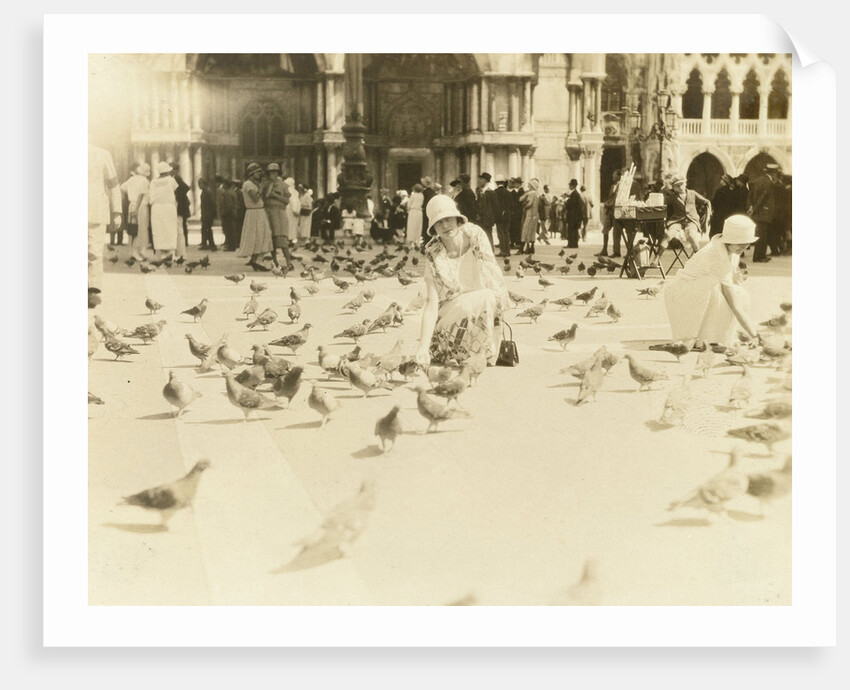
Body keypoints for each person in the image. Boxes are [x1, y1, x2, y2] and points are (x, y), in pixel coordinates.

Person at [415, 194, 510, 368]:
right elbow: (431, 305)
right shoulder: (433, 253)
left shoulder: (475, 235)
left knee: (489, 296)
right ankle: (457, 353)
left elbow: (495, 280)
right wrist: (422, 347)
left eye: (448, 219)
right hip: (452, 317)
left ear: (458, 219)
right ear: (433, 227)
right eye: (438, 222)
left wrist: (498, 324)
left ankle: (481, 352)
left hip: (482, 311)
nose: (445, 225)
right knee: (471, 303)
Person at [664, 214, 760, 345]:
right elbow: (734, 304)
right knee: (717, 290)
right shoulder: (717, 257)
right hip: (681, 293)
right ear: (729, 240)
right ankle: (702, 337)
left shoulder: (731, 251)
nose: (744, 246)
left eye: (746, 242)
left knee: (738, 292)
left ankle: (712, 336)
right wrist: (754, 334)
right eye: (739, 242)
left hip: (695, 289)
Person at [88, 144, 122, 306]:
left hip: (95, 210)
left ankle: (92, 291)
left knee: (94, 252)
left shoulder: (101, 154)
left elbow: (113, 185)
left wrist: (117, 211)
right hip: (94, 209)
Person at [658, 175, 710, 261]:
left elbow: (707, 202)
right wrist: (666, 190)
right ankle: (657, 258)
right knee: (668, 235)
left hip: (691, 221)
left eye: (682, 184)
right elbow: (660, 201)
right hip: (676, 221)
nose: (680, 187)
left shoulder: (692, 193)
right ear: (673, 187)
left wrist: (706, 217)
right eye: (677, 186)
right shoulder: (672, 196)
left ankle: (700, 260)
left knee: (691, 235)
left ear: (685, 183)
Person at [237, 162, 274, 271]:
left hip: (258, 212)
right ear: (252, 173)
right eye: (257, 172)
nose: (259, 174)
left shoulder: (254, 184)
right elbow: (255, 198)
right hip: (254, 213)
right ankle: (257, 261)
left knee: (262, 236)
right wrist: (261, 187)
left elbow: (264, 196)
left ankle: (256, 260)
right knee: (259, 236)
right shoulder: (248, 184)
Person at [148, 161, 183, 261]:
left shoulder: (153, 182)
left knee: (159, 230)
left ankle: (162, 254)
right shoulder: (171, 180)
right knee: (170, 229)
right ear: (167, 171)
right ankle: (170, 254)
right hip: (168, 207)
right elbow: (176, 191)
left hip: (156, 209)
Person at [263, 163, 294, 269]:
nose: (273, 174)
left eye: (275, 172)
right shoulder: (266, 185)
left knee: (282, 237)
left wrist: (275, 195)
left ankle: (288, 261)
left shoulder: (283, 185)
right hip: (269, 213)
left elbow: (286, 200)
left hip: (280, 213)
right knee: (272, 239)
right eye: (271, 173)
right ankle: (275, 261)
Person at [748, 163, 780, 262]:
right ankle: (759, 257)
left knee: (762, 235)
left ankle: (760, 256)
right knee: (762, 236)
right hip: (763, 212)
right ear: (774, 173)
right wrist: (755, 209)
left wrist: (751, 207)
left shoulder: (760, 180)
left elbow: (750, 194)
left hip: (760, 212)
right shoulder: (767, 182)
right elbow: (762, 198)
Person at [120, 162, 150, 262]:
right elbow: (141, 195)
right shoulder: (145, 181)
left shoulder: (131, 179)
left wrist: (130, 195)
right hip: (140, 206)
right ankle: (137, 252)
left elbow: (122, 188)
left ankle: (134, 251)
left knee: (132, 229)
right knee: (140, 229)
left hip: (132, 204)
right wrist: (137, 209)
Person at [599, 169, 620, 257]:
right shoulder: (612, 186)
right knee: (605, 230)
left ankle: (616, 251)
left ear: (618, 176)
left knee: (616, 233)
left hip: (616, 211)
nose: (612, 176)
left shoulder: (622, 186)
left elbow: (617, 199)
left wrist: (609, 204)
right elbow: (610, 197)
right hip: (609, 211)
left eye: (614, 175)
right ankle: (604, 249)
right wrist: (607, 203)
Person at [476, 172, 498, 249]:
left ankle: (491, 252)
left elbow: (495, 207)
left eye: (481, 179)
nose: (479, 181)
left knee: (488, 236)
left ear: (486, 181)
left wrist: (492, 218)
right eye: (479, 179)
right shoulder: (480, 192)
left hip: (487, 219)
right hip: (480, 219)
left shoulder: (491, 193)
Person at [493, 178, 512, 257]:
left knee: (500, 234)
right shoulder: (508, 192)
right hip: (507, 216)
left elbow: (495, 205)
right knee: (506, 233)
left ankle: (502, 250)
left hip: (499, 216)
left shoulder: (495, 192)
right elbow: (511, 205)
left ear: (497, 183)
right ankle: (508, 250)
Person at [198, 177, 218, 251]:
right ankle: (211, 244)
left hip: (208, 214)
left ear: (203, 184)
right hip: (206, 214)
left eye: (200, 184)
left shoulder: (207, 192)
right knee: (207, 229)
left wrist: (212, 214)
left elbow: (212, 203)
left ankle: (206, 244)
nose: (199, 186)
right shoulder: (205, 192)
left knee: (206, 229)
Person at [174, 172, 192, 249]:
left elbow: (187, 187)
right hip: (183, 207)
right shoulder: (177, 179)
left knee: (182, 225)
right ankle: (185, 241)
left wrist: (178, 195)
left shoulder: (176, 178)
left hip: (181, 208)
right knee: (183, 225)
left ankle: (185, 241)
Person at [564, 179, 583, 249]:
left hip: (573, 216)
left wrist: (566, 202)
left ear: (573, 186)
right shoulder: (575, 194)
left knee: (571, 229)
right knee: (574, 230)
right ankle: (573, 244)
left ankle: (571, 244)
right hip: (575, 215)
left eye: (570, 185)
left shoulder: (574, 194)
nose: (569, 186)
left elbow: (571, 205)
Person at [221, 180, 239, 250]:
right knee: (232, 230)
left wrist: (224, 213)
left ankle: (231, 246)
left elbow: (228, 205)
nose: (222, 186)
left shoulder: (227, 193)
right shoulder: (232, 192)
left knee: (229, 230)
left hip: (228, 214)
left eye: (224, 184)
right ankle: (232, 245)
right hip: (233, 213)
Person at [420, 176, 438, 248]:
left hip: (425, 212)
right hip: (431, 212)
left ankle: (426, 242)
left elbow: (423, 203)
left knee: (425, 227)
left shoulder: (424, 192)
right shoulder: (433, 192)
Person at [285, 177, 301, 247]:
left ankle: (289, 240)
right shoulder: (294, 191)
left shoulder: (290, 191)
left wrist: (295, 210)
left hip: (290, 211)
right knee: (292, 226)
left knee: (290, 226)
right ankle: (290, 240)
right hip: (291, 210)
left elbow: (293, 201)